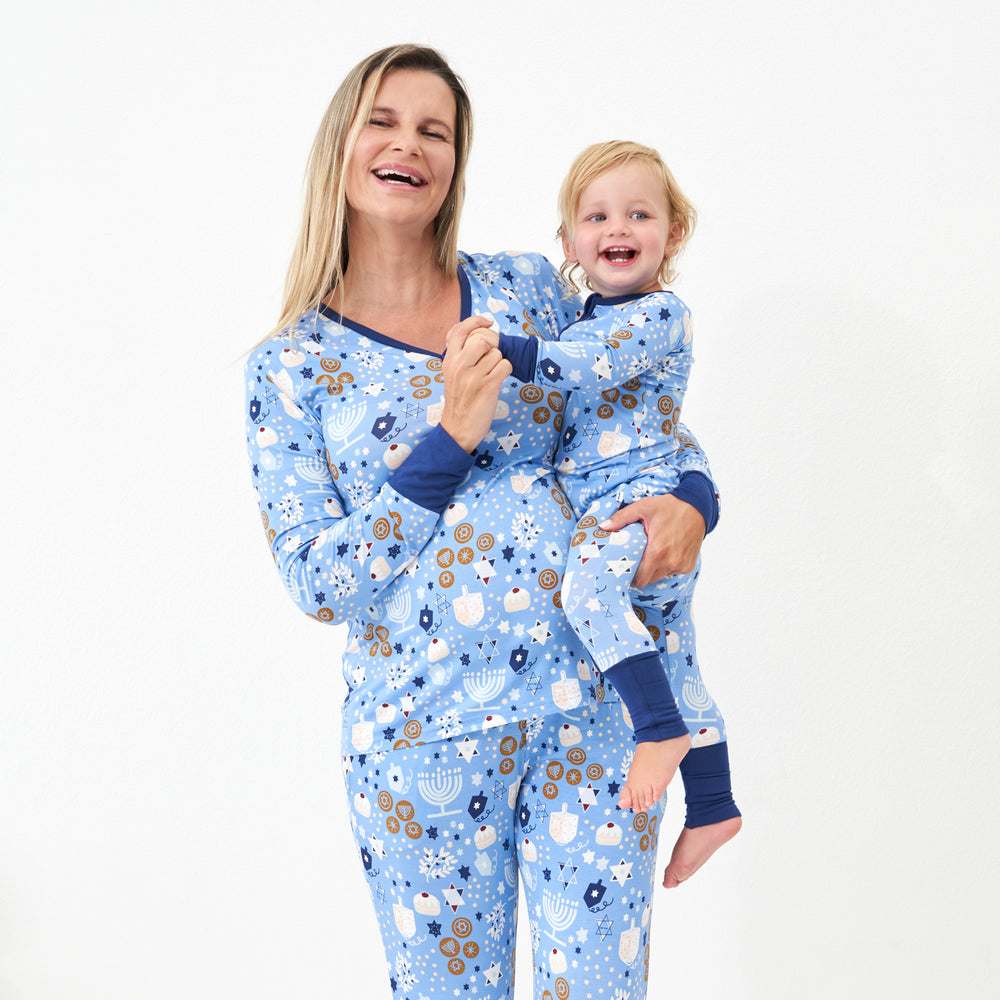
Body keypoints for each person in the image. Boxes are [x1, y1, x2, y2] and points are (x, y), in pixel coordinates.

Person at [244, 45, 718, 1000]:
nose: (407, 145)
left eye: (435, 131)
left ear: (455, 162)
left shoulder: (529, 290)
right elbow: (319, 583)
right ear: (341, 142)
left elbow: (651, 422)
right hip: (422, 745)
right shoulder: (289, 367)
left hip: (595, 721)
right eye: (383, 120)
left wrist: (694, 507)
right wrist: (449, 438)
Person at [494, 141, 742, 882]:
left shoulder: (658, 315)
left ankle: (660, 731)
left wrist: (500, 346)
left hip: (635, 506)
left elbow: (579, 366)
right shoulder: (584, 315)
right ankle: (715, 801)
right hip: (619, 504)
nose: (618, 228)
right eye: (597, 215)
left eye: (640, 213)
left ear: (674, 233)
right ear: (568, 241)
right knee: (675, 649)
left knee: (587, 594)